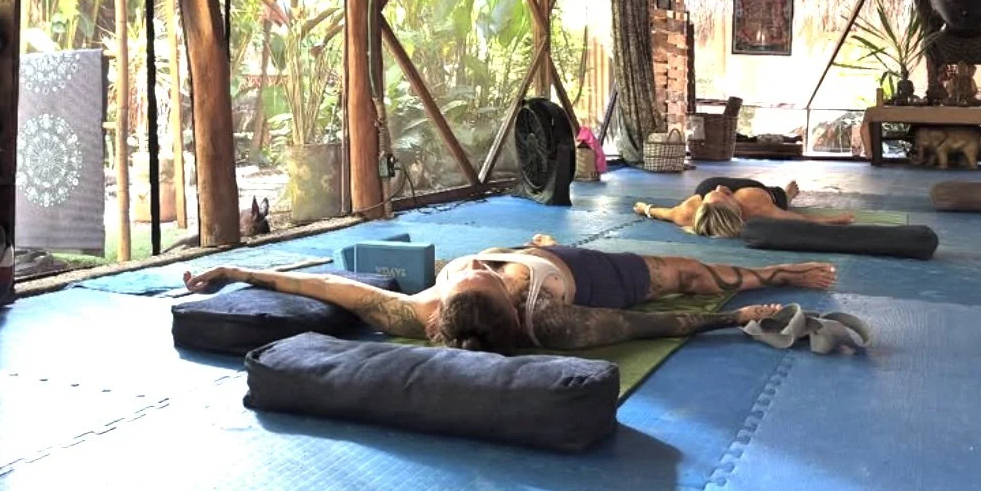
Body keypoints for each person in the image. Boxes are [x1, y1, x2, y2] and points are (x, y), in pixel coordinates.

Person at [182, 237, 836, 356]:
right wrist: (740, 316)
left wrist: (235, 274)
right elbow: (655, 327)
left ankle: (772, 269)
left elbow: (324, 285)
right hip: (588, 272)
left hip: (537, 248)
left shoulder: (419, 313)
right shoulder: (555, 323)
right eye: (487, 275)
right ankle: (778, 270)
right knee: (691, 276)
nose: (483, 267)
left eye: (469, 272)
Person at [634, 176, 856, 237]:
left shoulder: (687, 212)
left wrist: (645, 208)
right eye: (721, 194)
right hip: (766, 194)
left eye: (716, 193)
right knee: (783, 202)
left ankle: (787, 193)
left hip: (751, 195)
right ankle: (787, 194)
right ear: (735, 209)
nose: (720, 187)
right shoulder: (756, 207)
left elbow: (662, 212)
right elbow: (799, 220)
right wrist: (834, 221)